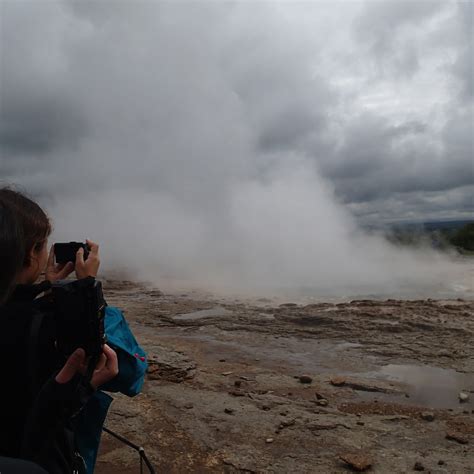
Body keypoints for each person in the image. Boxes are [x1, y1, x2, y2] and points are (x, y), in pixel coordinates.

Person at [0, 188, 119, 473]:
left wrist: (48, 287)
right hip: (33, 456)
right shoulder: (43, 324)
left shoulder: (25, 310)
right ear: (31, 252)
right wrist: (85, 287)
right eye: (43, 245)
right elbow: (89, 356)